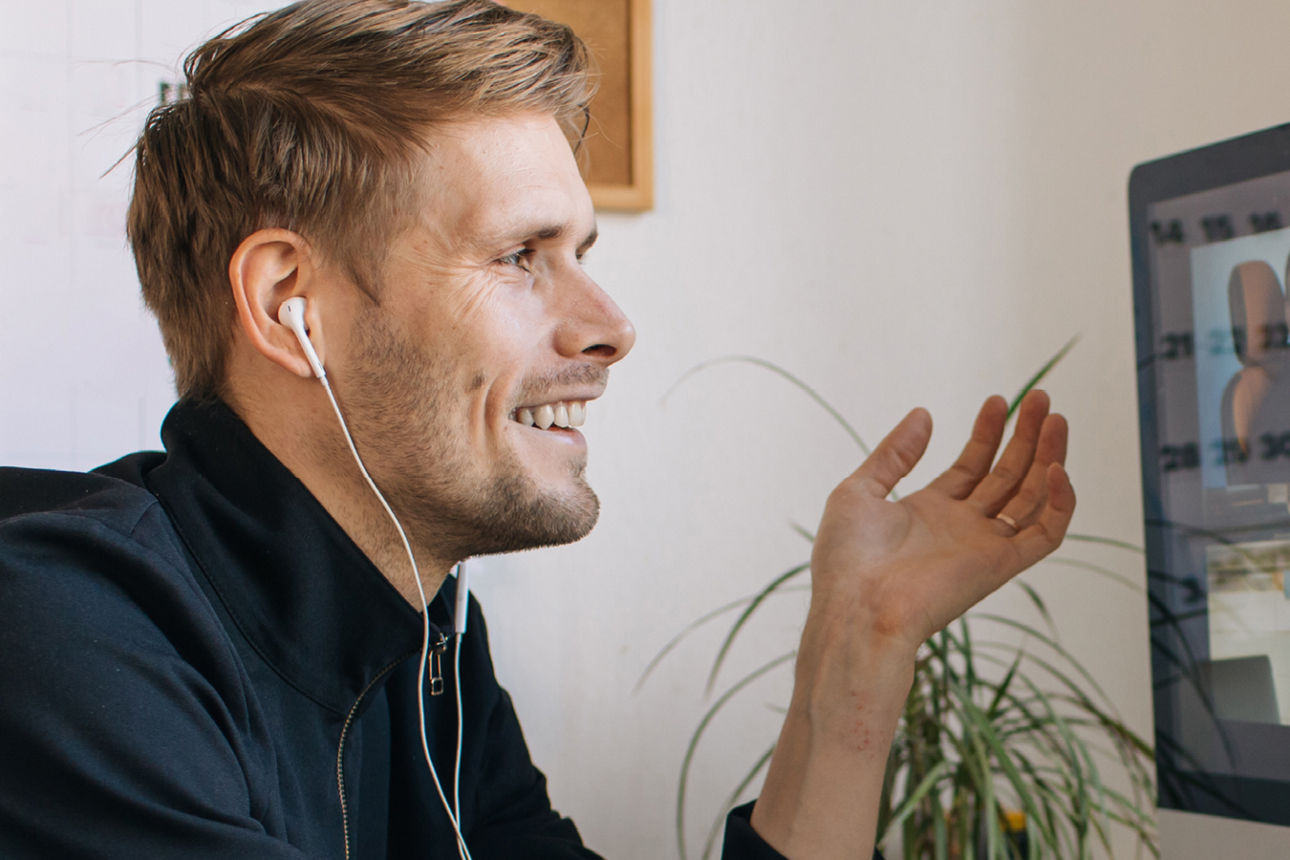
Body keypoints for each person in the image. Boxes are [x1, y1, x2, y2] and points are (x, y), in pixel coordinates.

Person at [0, 1, 1074, 858]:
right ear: (292, 302)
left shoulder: (426, 646)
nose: (611, 328)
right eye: (521, 255)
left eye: (584, 254)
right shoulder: (64, 634)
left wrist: (865, 642)